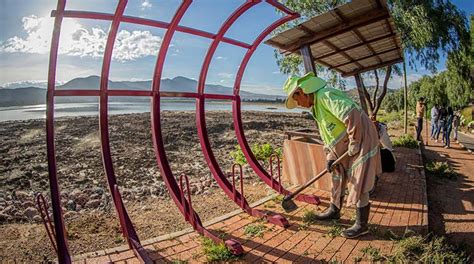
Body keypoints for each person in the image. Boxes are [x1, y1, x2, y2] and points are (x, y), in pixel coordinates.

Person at [283, 72, 382, 239]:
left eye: (297, 99)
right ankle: (334, 210)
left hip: (361, 137)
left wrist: (355, 142)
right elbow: (328, 136)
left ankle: (361, 225)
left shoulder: (325, 95)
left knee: (358, 179)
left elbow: (351, 114)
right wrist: (330, 156)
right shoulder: (316, 108)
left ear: (302, 92)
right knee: (336, 175)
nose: (298, 104)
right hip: (342, 146)